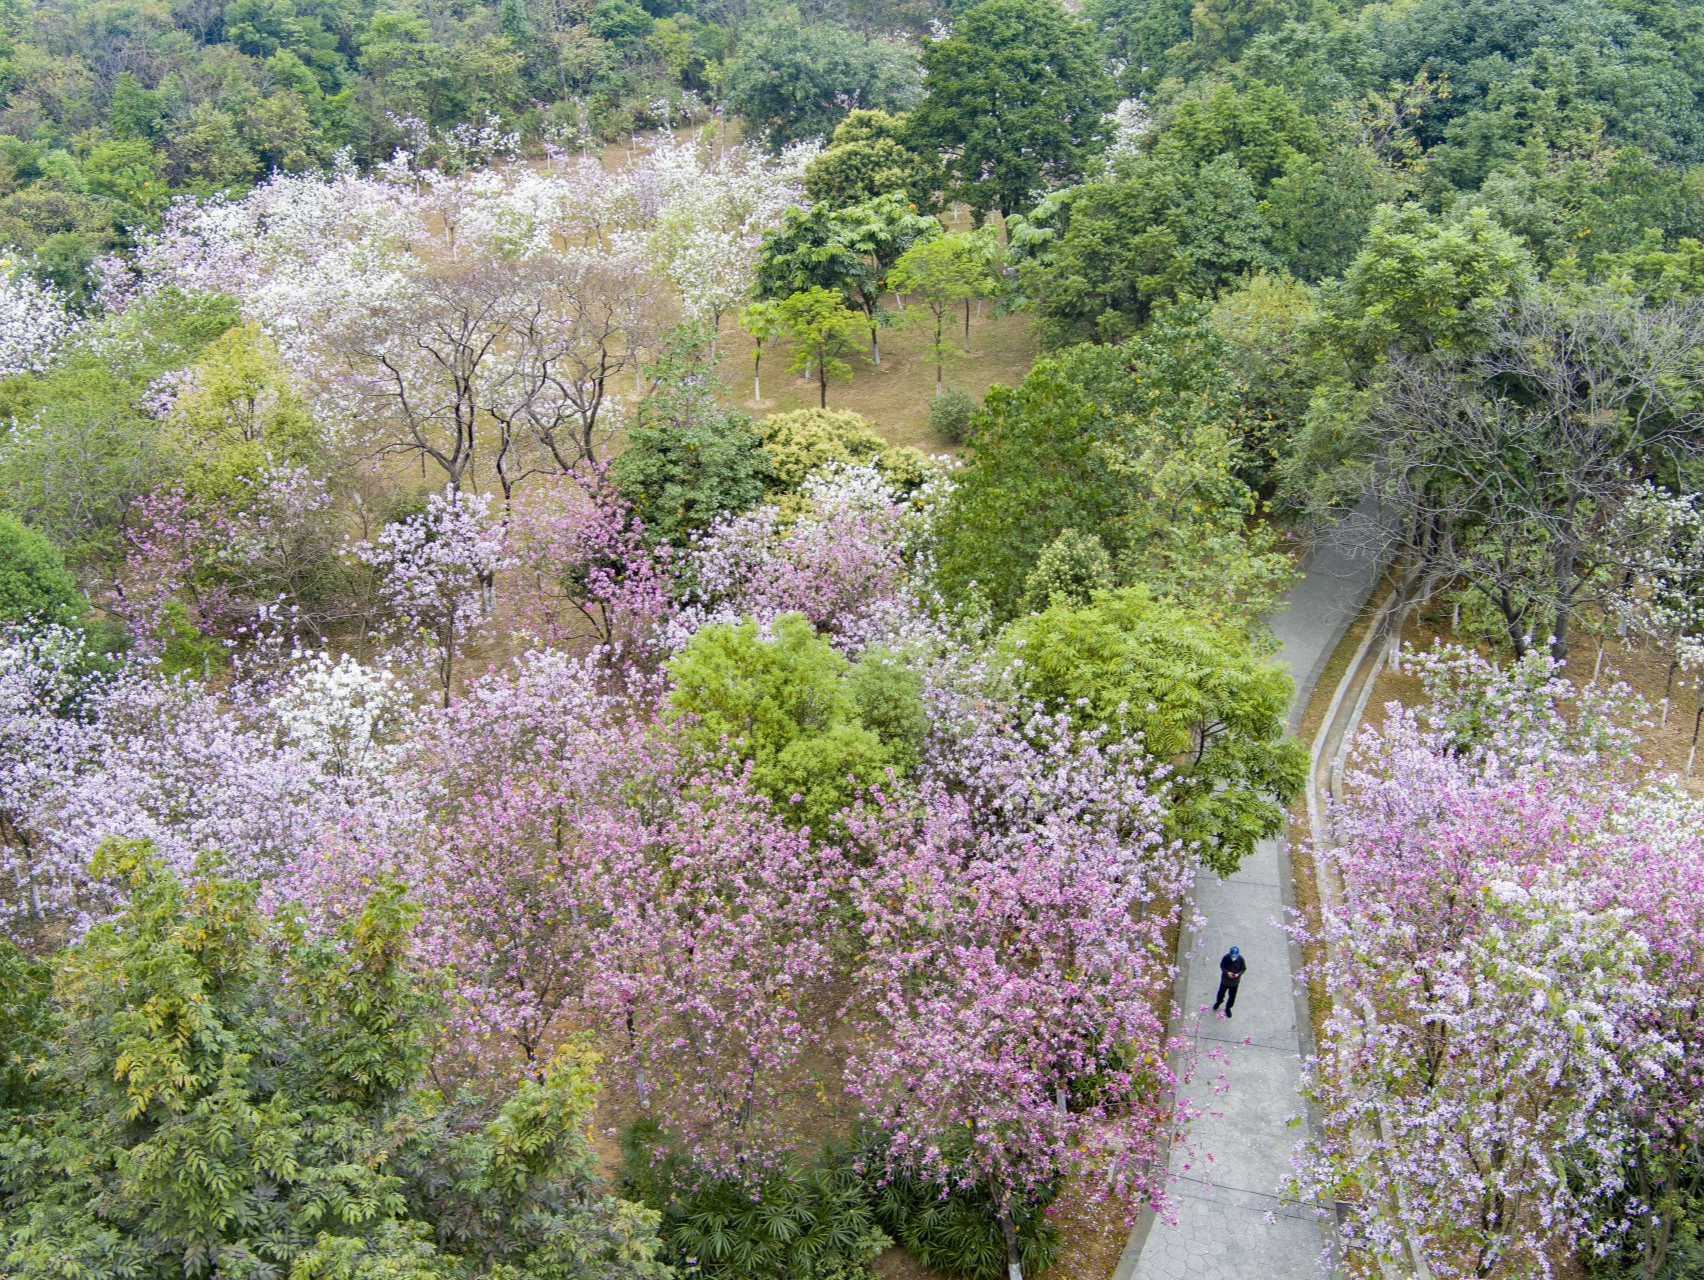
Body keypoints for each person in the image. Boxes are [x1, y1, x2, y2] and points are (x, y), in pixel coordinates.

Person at [1213, 945, 1246, 1018]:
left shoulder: (1241, 959)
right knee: (1221, 993)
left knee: (1232, 997)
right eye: (1232, 956)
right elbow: (1222, 966)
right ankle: (1219, 1001)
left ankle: (1228, 1008)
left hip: (1234, 983)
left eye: (1235, 956)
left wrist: (1238, 974)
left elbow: (1243, 969)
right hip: (1225, 980)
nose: (1233, 957)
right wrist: (1227, 972)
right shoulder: (1226, 957)